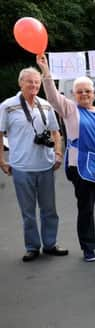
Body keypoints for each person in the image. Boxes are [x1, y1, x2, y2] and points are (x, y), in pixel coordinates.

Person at [37, 55, 95, 263]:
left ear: (94, 93)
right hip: (81, 167)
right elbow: (53, 97)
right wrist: (46, 72)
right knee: (86, 209)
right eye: (80, 91)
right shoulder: (70, 110)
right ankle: (88, 248)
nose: (84, 94)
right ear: (73, 94)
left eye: (88, 91)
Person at [0, 67, 67, 262]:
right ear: (20, 83)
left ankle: (50, 244)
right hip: (21, 168)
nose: (34, 85)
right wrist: (2, 160)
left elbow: (56, 132)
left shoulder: (45, 105)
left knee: (49, 210)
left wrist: (58, 153)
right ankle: (32, 247)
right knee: (28, 213)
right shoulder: (7, 106)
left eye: (37, 82)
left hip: (46, 166)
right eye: (30, 82)